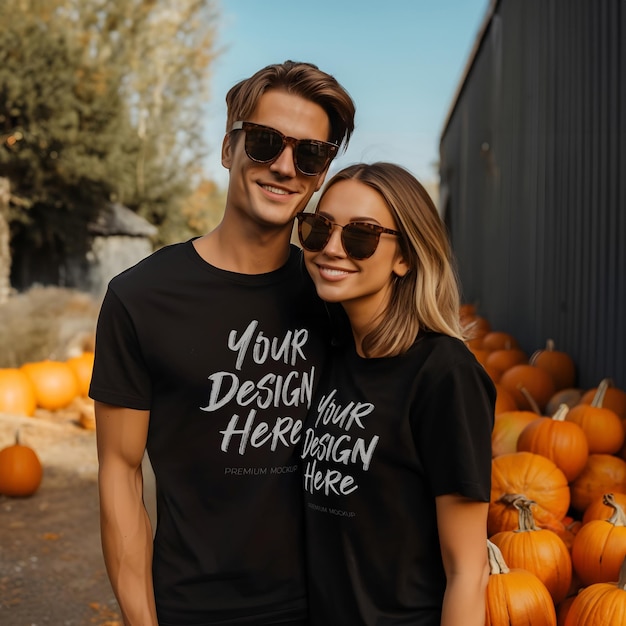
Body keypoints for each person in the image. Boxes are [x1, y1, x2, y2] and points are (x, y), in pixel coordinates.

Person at [89, 60, 355, 626]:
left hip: (332, 604)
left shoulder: (337, 298)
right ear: (228, 148)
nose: (284, 167)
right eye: (264, 143)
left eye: (309, 154)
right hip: (195, 609)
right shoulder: (140, 298)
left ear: (321, 173)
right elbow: (119, 471)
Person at [296, 162, 495, 626]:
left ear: (404, 257)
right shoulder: (333, 353)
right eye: (318, 227)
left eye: (361, 235)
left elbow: (468, 570)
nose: (331, 247)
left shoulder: (444, 374)